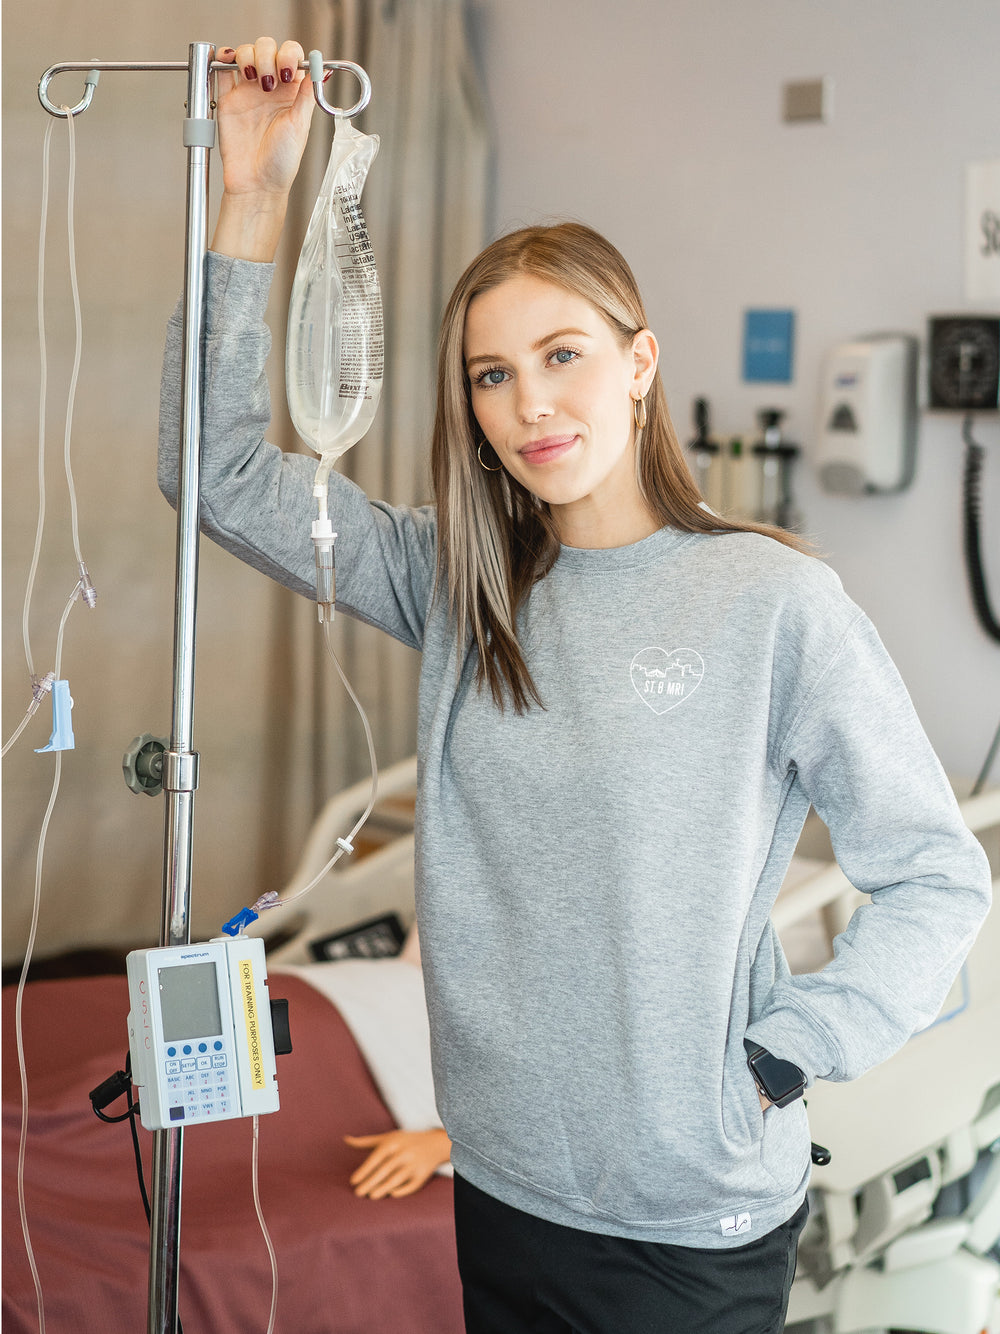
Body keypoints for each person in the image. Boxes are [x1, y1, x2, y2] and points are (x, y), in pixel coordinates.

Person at [159, 39, 992, 1334]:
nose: (529, 405)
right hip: (502, 1182)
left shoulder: (772, 601)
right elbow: (212, 472)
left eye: (563, 355)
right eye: (492, 374)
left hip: (688, 1215)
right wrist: (252, 193)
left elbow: (938, 873)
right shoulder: (459, 582)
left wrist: (787, 1053)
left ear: (640, 361)